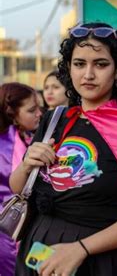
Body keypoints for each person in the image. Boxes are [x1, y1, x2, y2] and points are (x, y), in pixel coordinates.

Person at [10, 23, 117, 276]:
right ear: (68, 68)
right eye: (79, 64)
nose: (88, 74)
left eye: (100, 64)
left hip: (100, 261)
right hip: (38, 254)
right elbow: (20, 189)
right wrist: (27, 165)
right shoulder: (55, 119)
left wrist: (80, 249)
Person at [0, 82, 42, 276]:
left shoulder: (24, 136)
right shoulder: (7, 147)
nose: (39, 113)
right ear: (12, 113)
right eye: (32, 110)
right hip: (9, 233)